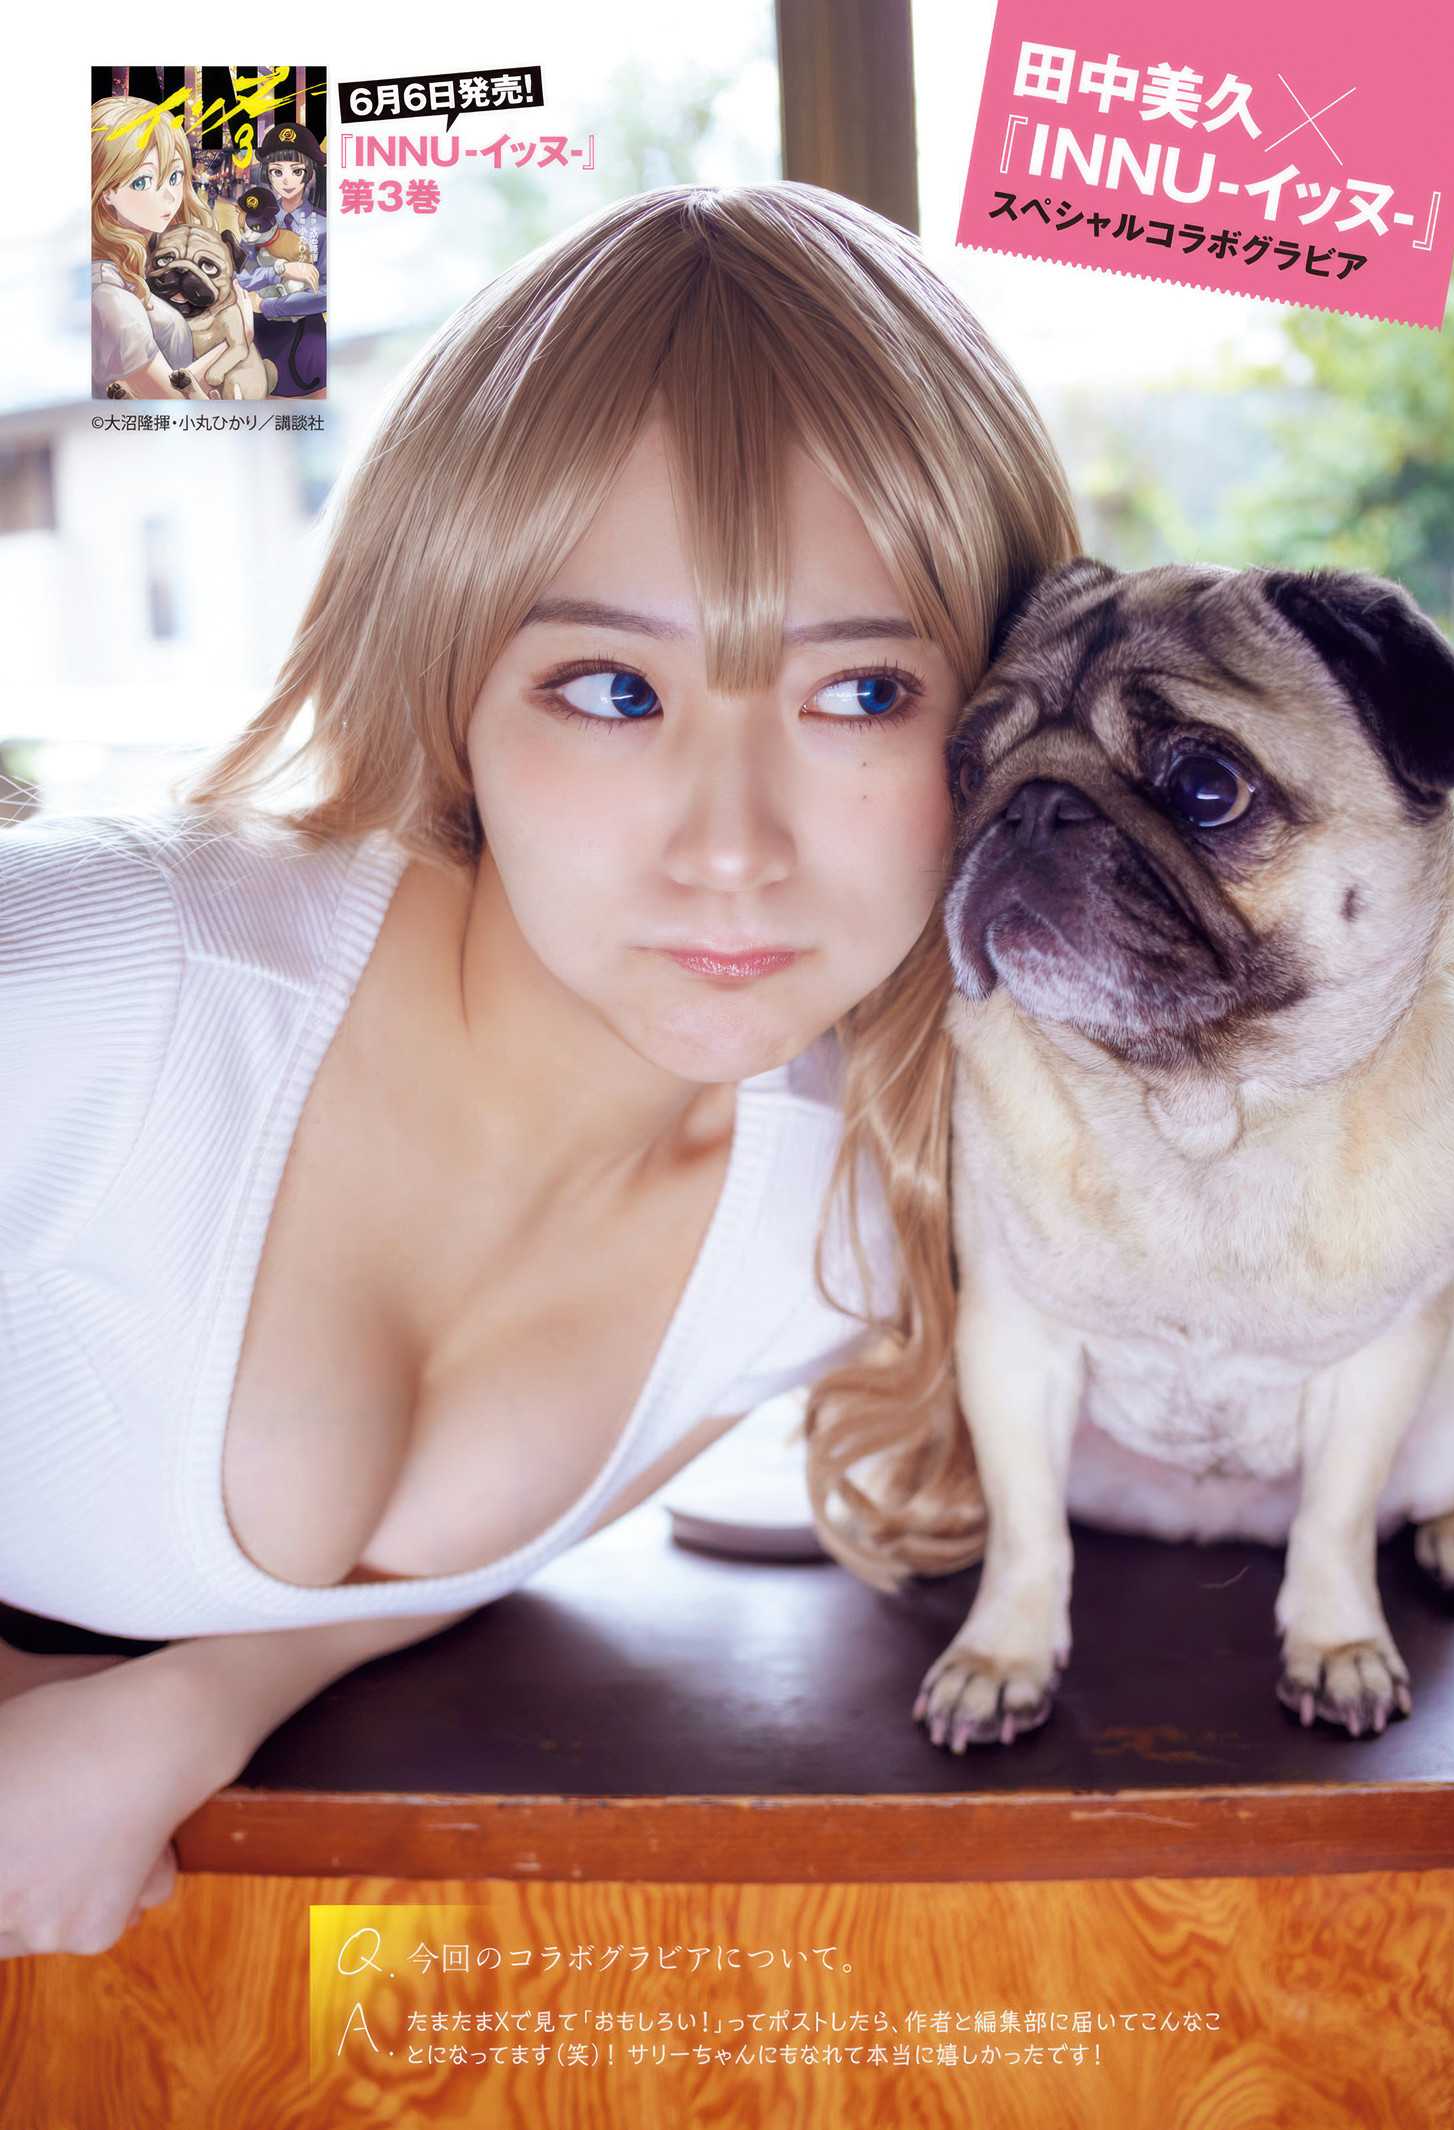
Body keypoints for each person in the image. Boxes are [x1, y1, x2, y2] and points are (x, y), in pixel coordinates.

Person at [0, 180, 1081, 1958]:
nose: (732, 851)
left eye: (863, 695)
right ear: (451, 680)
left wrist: (188, 1707)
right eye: (613, 690)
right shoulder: (105, 990)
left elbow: (394, 1585)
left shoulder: (851, 1215)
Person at [89, 95, 245, 401]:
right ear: (106, 191)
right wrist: (237, 343)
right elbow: (171, 402)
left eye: (174, 176)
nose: (170, 196)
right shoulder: (109, 297)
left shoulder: (140, 259)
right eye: (143, 181)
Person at [234, 118, 328, 397]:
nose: (286, 180)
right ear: (268, 174)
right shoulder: (255, 219)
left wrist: (269, 306)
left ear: (309, 172)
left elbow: (328, 292)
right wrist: (280, 269)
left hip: (305, 336)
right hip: (257, 333)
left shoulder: (323, 226)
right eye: (277, 171)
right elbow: (241, 276)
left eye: (296, 171)